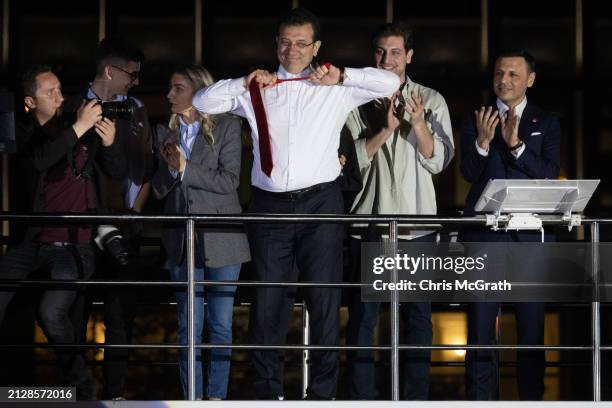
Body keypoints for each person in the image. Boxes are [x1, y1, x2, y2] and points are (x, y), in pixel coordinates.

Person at [193, 7, 399, 400]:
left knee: (324, 304)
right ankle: (268, 395)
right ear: (276, 44)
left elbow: (389, 81)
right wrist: (244, 80)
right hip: (269, 207)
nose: (292, 50)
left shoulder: (337, 87)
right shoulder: (256, 89)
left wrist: (344, 75)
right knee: (267, 306)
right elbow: (204, 101)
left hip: (321, 205)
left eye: (302, 43)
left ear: (316, 46)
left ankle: (322, 396)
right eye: (286, 42)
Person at [343, 21, 454, 400]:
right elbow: (351, 162)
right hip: (369, 226)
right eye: (379, 51)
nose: (386, 59)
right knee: (363, 321)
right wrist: (387, 129)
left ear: (409, 55)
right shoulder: (352, 100)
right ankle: (361, 399)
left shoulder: (431, 98)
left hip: (416, 228)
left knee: (418, 321)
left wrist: (418, 122)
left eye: (394, 52)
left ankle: (415, 399)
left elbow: (437, 160)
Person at [0, 64, 126, 399]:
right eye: (50, 92)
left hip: (74, 242)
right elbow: (40, 160)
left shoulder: (76, 125)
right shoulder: (23, 134)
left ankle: (81, 384)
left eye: (60, 90)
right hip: (31, 239)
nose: (60, 97)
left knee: (52, 313)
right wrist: (80, 126)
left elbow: (115, 170)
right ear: (29, 101)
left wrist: (110, 143)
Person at [460, 50, 560, 400]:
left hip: (529, 240)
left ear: (530, 79)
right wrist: (483, 144)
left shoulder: (546, 122)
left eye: (514, 74)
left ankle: (531, 401)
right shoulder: (478, 118)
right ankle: (478, 401)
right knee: (480, 330)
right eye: (499, 73)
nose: (504, 80)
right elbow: (469, 174)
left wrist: (515, 145)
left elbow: (548, 174)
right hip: (484, 239)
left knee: (532, 330)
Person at [152, 65, 250, 400]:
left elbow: (229, 181)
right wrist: (170, 170)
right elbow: (159, 189)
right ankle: (191, 399)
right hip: (182, 241)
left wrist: (185, 168)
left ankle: (216, 399)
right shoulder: (163, 132)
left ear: (199, 91)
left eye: (177, 88)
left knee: (221, 326)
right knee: (188, 328)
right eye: (170, 88)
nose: (169, 95)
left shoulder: (228, 126)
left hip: (223, 238)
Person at [63, 37, 153, 400]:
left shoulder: (137, 109)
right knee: (74, 315)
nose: (135, 81)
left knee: (120, 317)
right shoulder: (71, 105)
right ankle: (74, 393)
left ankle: (115, 395)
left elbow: (145, 168)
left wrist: (133, 216)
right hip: (78, 227)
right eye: (131, 74)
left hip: (122, 226)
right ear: (109, 70)